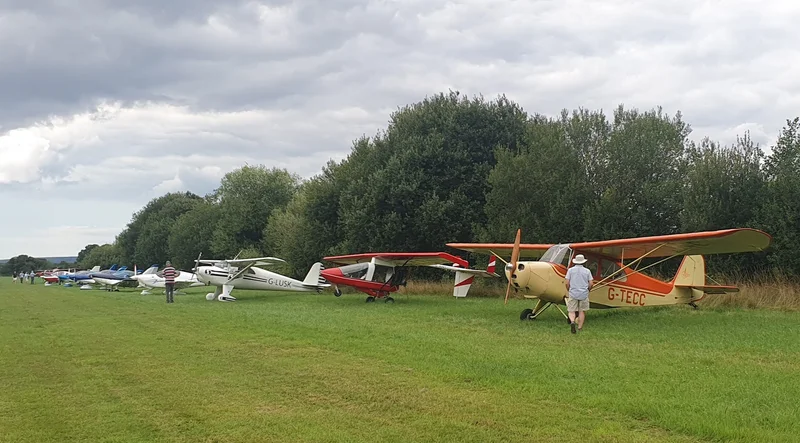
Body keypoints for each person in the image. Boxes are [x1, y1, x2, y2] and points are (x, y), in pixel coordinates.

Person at [565, 254, 593, 334]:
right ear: (583, 262)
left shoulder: (570, 270)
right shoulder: (587, 271)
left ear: (575, 262)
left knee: (571, 311)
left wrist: (569, 289)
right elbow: (591, 283)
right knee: (581, 311)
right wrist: (588, 290)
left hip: (573, 293)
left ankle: (572, 322)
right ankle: (580, 328)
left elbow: (567, 283)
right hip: (583, 294)